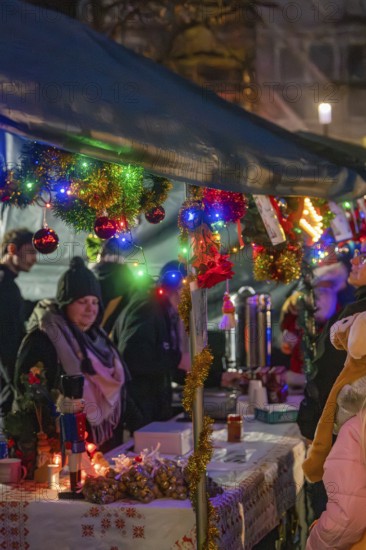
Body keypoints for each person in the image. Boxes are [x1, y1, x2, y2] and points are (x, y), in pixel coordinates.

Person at [14, 256, 125, 452]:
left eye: (95, 302)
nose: (91, 309)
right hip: (54, 449)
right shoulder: (44, 339)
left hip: (98, 448)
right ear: (66, 304)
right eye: (82, 302)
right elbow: (28, 395)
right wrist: (56, 407)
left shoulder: (98, 340)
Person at [298, 247, 366, 518]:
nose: (355, 260)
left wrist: (310, 425)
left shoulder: (357, 316)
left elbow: (329, 380)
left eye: (364, 257)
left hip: (344, 443)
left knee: (337, 520)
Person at [0, 228, 37, 420]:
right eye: (31, 251)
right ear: (13, 249)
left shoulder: (9, 285)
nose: (35, 259)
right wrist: (12, 380)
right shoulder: (4, 284)